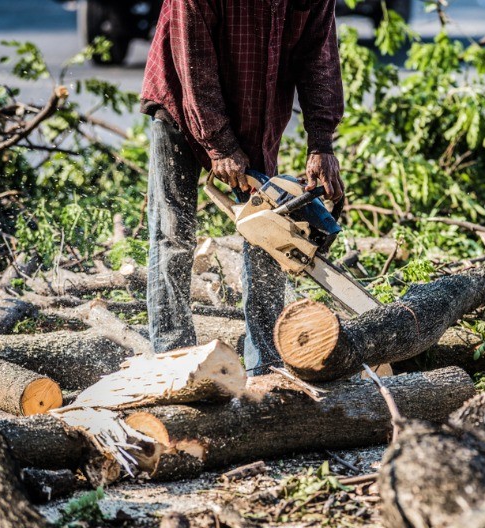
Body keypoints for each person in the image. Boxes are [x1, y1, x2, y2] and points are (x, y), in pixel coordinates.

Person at [139, 0, 345, 375]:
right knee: (173, 232)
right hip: (181, 103)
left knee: (269, 232)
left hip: (256, 110)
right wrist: (220, 145)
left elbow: (319, 58)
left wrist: (321, 143)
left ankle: (264, 362)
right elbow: (194, 63)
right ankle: (173, 358)